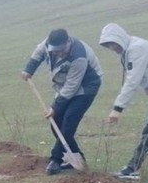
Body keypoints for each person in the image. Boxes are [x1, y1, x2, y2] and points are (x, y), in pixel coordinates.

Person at [22, 28, 103, 175]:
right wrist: (29, 69)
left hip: (85, 88)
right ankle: (77, 158)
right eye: (55, 50)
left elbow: (72, 86)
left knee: (68, 123)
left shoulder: (79, 55)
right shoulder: (48, 43)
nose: (58, 53)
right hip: (64, 86)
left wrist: (55, 106)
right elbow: (39, 52)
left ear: (68, 43)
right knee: (56, 123)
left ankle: (56, 159)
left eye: (61, 50)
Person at [99, 23, 148, 183]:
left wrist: (118, 108)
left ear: (119, 38)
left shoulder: (137, 49)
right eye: (108, 45)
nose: (111, 48)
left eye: (112, 43)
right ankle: (132, 169)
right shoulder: (128, 50)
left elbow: (132, 81)